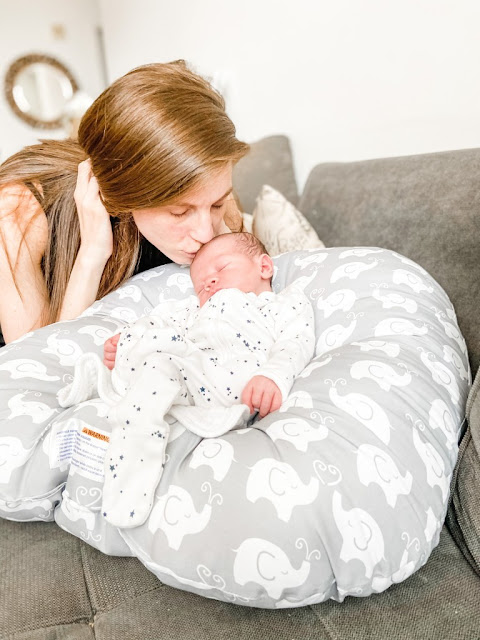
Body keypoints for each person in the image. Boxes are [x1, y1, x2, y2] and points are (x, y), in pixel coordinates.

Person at [58, 232, 315, 528]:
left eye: (221, 268)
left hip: (238, 384)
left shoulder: (281, 304)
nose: (210, 283)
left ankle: (132, 418)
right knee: (156, 356)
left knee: (159, 361)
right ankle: (134, 450)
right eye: (200, 285)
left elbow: (296, 342)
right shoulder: (193, 311)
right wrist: (125, 341)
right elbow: (157, 320)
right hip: (190, 373)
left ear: (264, 267)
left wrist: (271, 376)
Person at [0, 60, 249, 347]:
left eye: (216, 205)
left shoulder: (208, 190)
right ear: (123, 195)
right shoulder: (18, 208)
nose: (206, 233)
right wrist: (92, 256)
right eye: (180, 212)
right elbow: (42, 366)